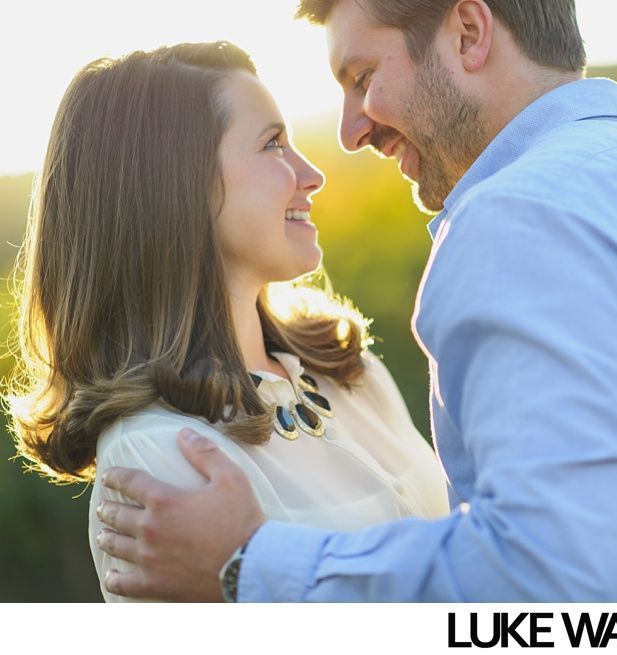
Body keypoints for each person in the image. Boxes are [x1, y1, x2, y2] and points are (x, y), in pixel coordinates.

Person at [93, 0, 617, 601]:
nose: (348, 135)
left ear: (470, 32)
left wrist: (251, 564)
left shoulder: (514, 219)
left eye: (364, 78)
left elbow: (546, 572)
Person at [3, 42, 451, 601]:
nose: (312, 175)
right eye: (273, 145)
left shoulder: (349, 370)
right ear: (173, 188)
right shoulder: (158, 457)